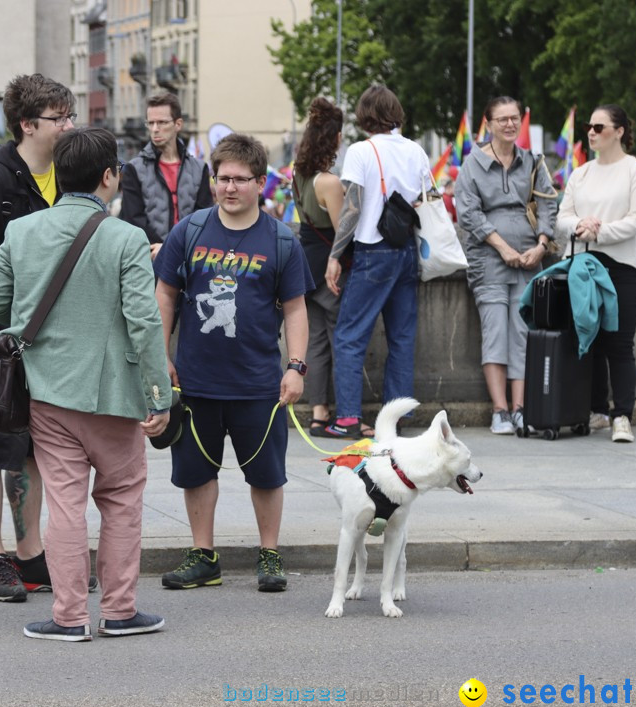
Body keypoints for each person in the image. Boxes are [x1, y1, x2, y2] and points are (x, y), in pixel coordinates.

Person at [0, 126, 172, 641]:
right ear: (109, 177)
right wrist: (160, 394)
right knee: (123, 499)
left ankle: (68, 617)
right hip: (114, 397)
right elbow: (144, 321)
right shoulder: (127, 238)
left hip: (47, 391)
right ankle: (119, 610)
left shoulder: (23, 232)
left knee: (64, 505)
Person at [154, 133, 312, 592]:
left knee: (266, 474)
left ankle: (269, 554)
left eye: (241, 180)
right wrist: (159, 357)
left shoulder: (281, 240)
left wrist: (296, 367)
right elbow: (164, 295)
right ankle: (204, 556)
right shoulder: (190, 232)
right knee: (195, 472)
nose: (230, 188)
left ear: (260, 183)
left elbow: (297, 309)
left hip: (258, 384)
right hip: (195, 381)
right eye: (222, 178)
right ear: (213, 179)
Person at [0, 73, 82, 602]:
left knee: (32, 451)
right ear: (28, 124)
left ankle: (30, 558)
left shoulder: (65, 175)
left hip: (47, 337)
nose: (68, 126)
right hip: (1, 338)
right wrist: (29, 277)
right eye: (59, 118)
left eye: (69, 116)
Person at [324, 85, 430, 439]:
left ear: (365, 115)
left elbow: (352, 208)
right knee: (401, 337)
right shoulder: (416, 150)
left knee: (350, 336)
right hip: (407, 252)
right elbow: (426, 200)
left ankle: (349, 418)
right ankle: (397, 417)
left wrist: (336, 254)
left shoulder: (361, 151)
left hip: (373, 251)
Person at [457, 96, 556, 435]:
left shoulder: (533, 162)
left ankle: (520, 408)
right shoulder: (473, 164)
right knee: (496, 331)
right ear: (489, 124)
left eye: (514, 118)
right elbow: (468, 212)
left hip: (529, 258)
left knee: (523, 333)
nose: (510, 124)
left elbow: (548, 205)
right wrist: (501, 246)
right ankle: (499, 409)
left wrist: (542, 245)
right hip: (489, 258)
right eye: (503, 119)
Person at [556, 104, 636, 443]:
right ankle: (596, 410)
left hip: (622, 267)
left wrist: (600, 231)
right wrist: (581, 224)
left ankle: (622, 415)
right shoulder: (579, 173)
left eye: (599, 126)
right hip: (583, 265)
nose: (592, 132)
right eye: (589, 126)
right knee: (589, 340)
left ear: (620, 131)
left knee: (620, 344)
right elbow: (562, 217)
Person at [291, 97, 345, 438]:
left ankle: (317, 412)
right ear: (335, 138)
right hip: (328, 267)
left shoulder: (298, 176)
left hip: (304, 264)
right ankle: (342, 410)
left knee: (316, 344)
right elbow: (342, 234)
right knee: (341, 338)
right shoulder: (329, 182)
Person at [120, 91, 212, 260]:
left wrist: (174, 247)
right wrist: (165, 249)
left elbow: (204, 218)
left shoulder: (200, 169)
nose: (155, 129)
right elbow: (133, 219)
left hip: (189, 257)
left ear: (178, 124)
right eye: (151, 123)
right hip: (149, 259)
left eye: (162, 122)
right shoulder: (134, 169)